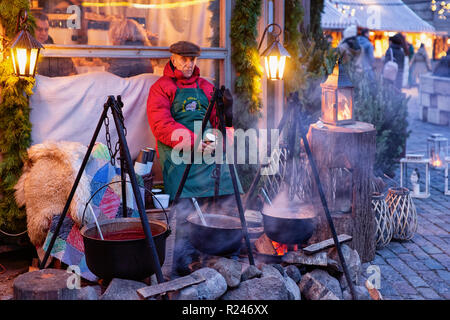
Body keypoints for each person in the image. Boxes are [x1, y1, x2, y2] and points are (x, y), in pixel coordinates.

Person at [147, 41, 241, 275]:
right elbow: (161, 126)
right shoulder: (161, 87)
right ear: (173, 59)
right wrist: (196, 143)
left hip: (207, 146)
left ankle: (225, 250)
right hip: (178, 151)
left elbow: (218, 122)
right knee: (185, 204)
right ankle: (183, 258)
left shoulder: (206, 86)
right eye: (184, 59)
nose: (189, 64)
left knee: (228, 186)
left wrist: (226, 120)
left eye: (193, 60)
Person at [34, 13, 77, 77]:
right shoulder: (22, 52)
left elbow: (73, 75)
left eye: (46, 30)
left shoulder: (58, 52)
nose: (43, 33)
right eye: (39, 29)